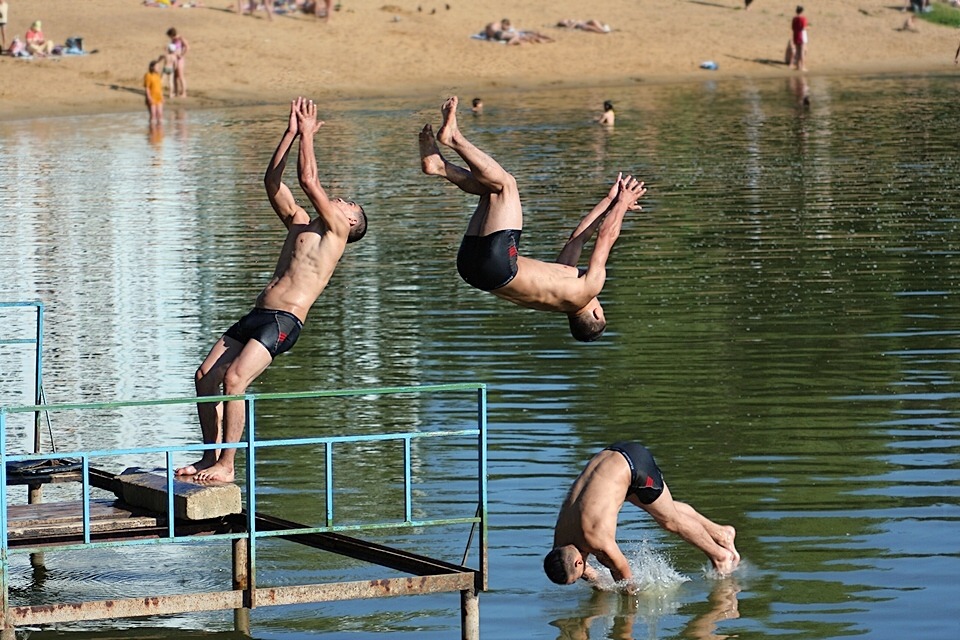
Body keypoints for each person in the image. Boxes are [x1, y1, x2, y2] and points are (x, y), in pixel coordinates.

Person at [176, 97, 368, 483]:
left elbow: (308, 180)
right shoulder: (300, 224)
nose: (341, 198)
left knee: (234, 381)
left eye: (348, 202)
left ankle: (227, 466)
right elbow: (272, 182)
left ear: (350, 218)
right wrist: (290, 133)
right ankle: (209, 456)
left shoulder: (339, 232)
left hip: (283, 321)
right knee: (204, 377)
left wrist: (309, 135)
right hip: (257, 314)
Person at [419, 96, 645, 342]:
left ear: (597, 313)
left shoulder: (589, 289)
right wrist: (610, 201)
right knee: (489, 190)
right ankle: (438, 166)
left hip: (500, 266)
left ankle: (454, 139)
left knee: (506, 185)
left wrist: (622, 204)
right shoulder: (562, 293)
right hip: (474, 272)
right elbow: (577, 240)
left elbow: (606, 237)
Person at [543, 442, 740, 588]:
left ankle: (721, 555)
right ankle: (722, 534)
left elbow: (625, 577)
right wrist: (601, 585)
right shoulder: (561, 542)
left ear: (579, 562)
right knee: (666, 510)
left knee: (670, 522)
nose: (581, 577)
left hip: (635, 466)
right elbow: (584, 570)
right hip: (613, 455)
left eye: (577, 577)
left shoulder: (596, 539)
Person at [166, 27, 188, 97]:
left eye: (169, 36)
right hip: (174, 59)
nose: (169, 37)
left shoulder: (180, 38)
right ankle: (176, 91)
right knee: (175, 77)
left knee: (181, 76)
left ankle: (184, 92)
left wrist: (182, 55)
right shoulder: (173, 40)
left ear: (172, 34)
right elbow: (171, 50)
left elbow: (187, 47)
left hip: (179, 59)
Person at [144, 59, 164, 125]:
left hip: (158, 97)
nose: (159, 68)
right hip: (152, 97)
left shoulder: (158, 75)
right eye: (157, 66)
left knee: (160, 114)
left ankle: (159, 131)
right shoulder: (148, 75)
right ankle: (152, 130)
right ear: (152, 67)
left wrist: (162, 96)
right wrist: (149, 97)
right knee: (153, 115)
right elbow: (147, 87)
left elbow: (160, 87)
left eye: (159, 66)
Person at [790, 6, 808, 72]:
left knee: (797, 51)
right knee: (802, 51)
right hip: (802, 35)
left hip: (796, 35)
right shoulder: (803, 18)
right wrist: (808, 28)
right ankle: (802, 67)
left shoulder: (794, 19)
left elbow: (792, 28)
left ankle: (798, 66)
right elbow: (804, 27)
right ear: (802, 11)